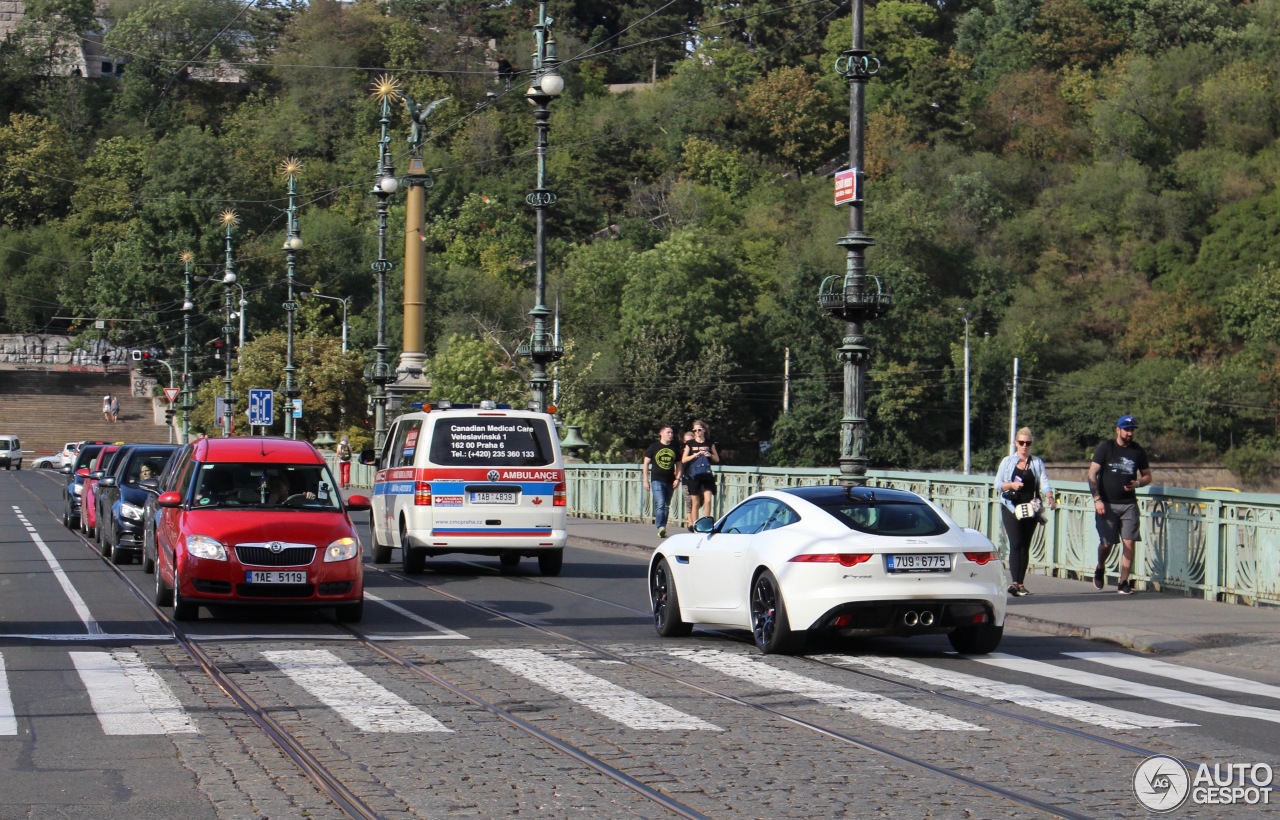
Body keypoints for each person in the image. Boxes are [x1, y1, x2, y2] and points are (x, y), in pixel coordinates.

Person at [1088, 414, 1152, 595]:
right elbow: (1092, 473)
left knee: (1129, 542)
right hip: (1106, 504)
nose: (1130, 433)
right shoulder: (1106, 447)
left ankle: (1123, 581)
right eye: (1127, 429)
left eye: (1132, 430)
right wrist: (1097, 499)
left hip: (1129, 504)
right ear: (1118, 430)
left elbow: (1147, 475)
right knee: (1107, 544)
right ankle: (1100, 566)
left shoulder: (1137, 451)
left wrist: (1138, 483)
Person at [995, 427, 1056, 597]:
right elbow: (997, 484)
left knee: (1025, 546)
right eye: (1021, 443)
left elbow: (1044, 482)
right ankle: (1014, 583)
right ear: (1016, 443)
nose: (1024, 446)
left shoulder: (1036, 463)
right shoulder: (1007, 462)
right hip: (1011, 507)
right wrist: (1011, 486)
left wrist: (1050, 496)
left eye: (1027, 443)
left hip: (1030, 508)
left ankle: (1021, 584)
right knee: (1016, 544)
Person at [642, 425, 681, 538]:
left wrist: (678, 478)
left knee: (666, 506)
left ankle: (662, 527)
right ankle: (661, 527)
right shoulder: (654, 447)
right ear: (661, 433)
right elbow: (645, 464)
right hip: (656, 480)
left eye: (672, 433)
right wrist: (645, 480)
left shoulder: (674, 447)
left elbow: (679, 465)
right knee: (660, 503)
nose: (670, 435)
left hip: (670, 481)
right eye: (668, 432)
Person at [681, 420, 720, 528]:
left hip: (706, 475)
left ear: (704, 430)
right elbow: (683, 460)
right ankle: (695, 525)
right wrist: (695, 455)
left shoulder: (709, 443)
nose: (697, 432)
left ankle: (706, 524)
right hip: (694, 476)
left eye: (699, 430)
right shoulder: (690, 443)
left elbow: (717, 459)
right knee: (695, 502)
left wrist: (709, 454)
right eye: (695, 430)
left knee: (708, 500)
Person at [679, 430, 696, 529]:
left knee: (697, 501)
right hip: (686, 479)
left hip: (697, 479)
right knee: (688, 501)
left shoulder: (697, 450)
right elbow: (680, 463)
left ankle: (695, 520)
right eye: (687, 441)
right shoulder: (682, 452)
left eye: (691, 440)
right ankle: (691, 523)